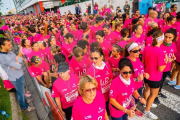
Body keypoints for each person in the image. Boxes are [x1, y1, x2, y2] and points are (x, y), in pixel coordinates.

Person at [0, 37, 35, 112]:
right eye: (8, 45)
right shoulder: (4, 57)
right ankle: (24, 107)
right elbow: (19, 65)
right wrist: (17, 62)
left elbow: (19, 59)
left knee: (21, 91)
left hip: (19, 75)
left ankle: (25, 101)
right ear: (2, 46)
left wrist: (17, 62)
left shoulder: (9, 52)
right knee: (21, 93)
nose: (11, 46)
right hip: (16, 78)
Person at [142, 30, 168, 119]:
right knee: (153, 95)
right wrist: (167, 61)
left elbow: (143, 62)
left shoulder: (146, 48)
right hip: (155, 77)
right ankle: (147, 110)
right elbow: (161, 69)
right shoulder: (161, 52)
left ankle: (145, 103)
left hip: (146, 74)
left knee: (146, 89)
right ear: (162, 38)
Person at [152, 28, 177, 103]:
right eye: (166, 37)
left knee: (162, 81)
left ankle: (159, 92)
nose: (167, 39)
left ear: (173, 38)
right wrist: (165, 60)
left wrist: (173, 57)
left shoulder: (173, 44)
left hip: (167, 67)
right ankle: (155, 96)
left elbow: (172, 53)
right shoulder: (159, 44)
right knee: (158, 82)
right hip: (159, 67)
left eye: (170, 37)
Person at [87, 46, 113, 115]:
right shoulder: (90, 70)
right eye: (92, 58)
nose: (94, 60)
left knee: (108, 113)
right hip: (98, 99)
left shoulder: (107, 65)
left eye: (96, 58)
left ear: (101, 57)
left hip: (108, 96)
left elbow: (110, 78)